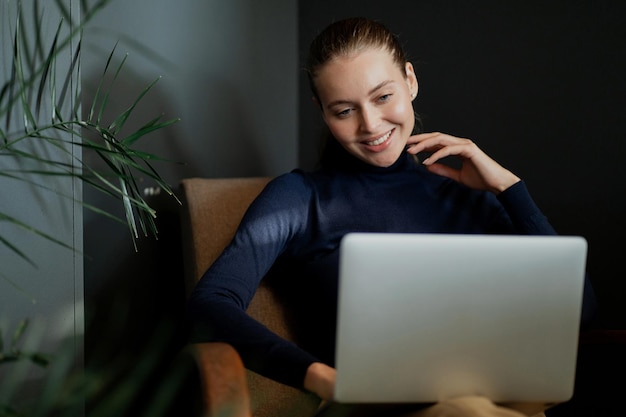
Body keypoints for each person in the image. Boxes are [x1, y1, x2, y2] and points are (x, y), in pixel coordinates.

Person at [187, 17, 597, 417]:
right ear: (322, 111)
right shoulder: (299, 198)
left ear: (410, 81)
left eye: (383, 97)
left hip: (501, 398)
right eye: (344, 110)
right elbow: (209, 304)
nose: (370, 125)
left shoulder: (465, 194)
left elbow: (579, 309)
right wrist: (318, 377)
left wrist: (509, 189)